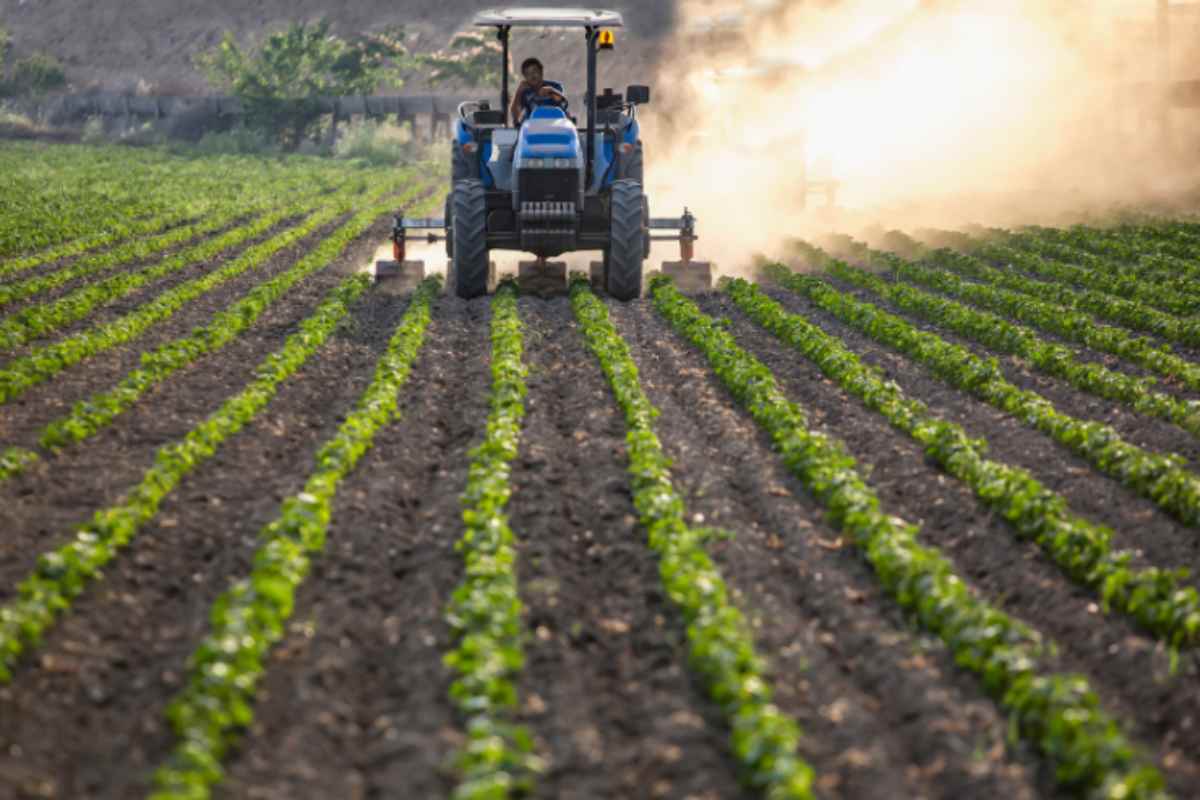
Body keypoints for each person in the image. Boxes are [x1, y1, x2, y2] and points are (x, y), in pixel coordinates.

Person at [510, 57, 567, 124]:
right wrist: (518, 92)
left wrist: (551, 91)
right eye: (528, 74)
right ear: (524, 77)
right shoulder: (525, 92)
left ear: (541, 71)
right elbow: (515, 115)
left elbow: (563, 103)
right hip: (532, 127)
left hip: (554, 125)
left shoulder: (555, 86)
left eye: (534, 71)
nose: (532, 76)